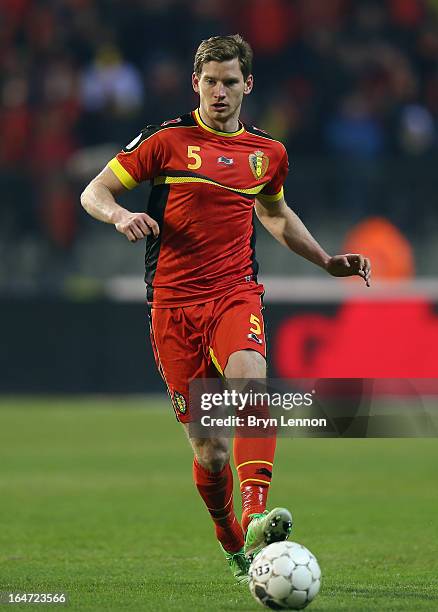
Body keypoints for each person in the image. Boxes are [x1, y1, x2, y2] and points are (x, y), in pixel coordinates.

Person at [80, 34, 371, 584]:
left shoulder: (267, 153)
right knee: (211, 453)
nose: (219, 92)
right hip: (171, 305)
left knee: (250, 381)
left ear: (248, 85)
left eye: (230, 82)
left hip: (235, 292)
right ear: (196, 84)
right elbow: (93, 193)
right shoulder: (165, 142)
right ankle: (229, 534)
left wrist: (326, 260)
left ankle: (258, 511)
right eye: (210, 82)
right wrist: (119, 216)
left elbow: (277, 215)